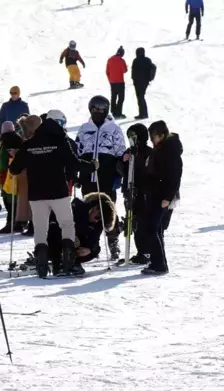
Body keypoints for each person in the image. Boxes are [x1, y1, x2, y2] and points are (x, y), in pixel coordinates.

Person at [10, 109, 98, 278]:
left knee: (41, 228)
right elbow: (75, 163)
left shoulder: (30, 142)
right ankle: (67, 263)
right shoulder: (60, 141)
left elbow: (14, 169)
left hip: (36, 194)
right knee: (66, 224)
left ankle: (42, 266)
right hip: (58, 191)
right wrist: (92, 166)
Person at [75, 96, 127, 260]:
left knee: (107, 211)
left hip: (106, 175)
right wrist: (76, 173)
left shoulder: (114, 129)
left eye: (101, 110)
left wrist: (119, 174)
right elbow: (77, 152)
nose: (98, 112)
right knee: (87, 212)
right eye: (95, 109)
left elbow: (120, 152)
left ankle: (113, 243)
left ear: (106, 110)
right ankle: (89, 245)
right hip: (87, 177)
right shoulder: (84, 129)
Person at [142, 121, 182, 276]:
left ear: (162, 135)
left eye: (154, 137)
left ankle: (159, 265)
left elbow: (175, 176)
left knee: (152, 228)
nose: (152, 140)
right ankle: (157, 261)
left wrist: (168, 197)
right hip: (155, 193)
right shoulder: (160, 148)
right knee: (155, 229)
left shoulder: (170, 150)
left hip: (163, 195)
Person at [48, 192, 115, 275]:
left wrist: (89, 249)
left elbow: (95, 240)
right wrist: (71, 236)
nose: (96, 221)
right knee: (55, 230)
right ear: (95, 208)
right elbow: (58, 223)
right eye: (97, 217)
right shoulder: (78, 208)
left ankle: (72, 262)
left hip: (75, 247)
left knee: (96, 250)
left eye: (100, 221)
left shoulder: (97, 224)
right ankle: (56, 260)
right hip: (59, 240)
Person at [117, 123, 154, 264]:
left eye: (133, 137)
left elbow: (148, 170)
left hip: (143, 193)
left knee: (144, 222)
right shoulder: (129, 151)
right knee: (133, 221)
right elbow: (121, 169)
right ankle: (141, 251)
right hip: (130, 192)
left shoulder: (148, 152)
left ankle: (147, 251)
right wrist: (123, 161)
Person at [15, 115, 42, 237]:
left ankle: (33, 225)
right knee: (30, 201)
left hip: (32, 175)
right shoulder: (31, 141)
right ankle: (31, 224)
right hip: (29, 175)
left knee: (33, 202)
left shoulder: (31, 143)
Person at [0, 121, 24, 234]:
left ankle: (11, 224)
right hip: (18, 173)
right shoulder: (19, 139)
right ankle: (18, 223)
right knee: (15, 199)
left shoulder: (5, 142)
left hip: (7, 174)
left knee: (8, 200)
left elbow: (2, 161)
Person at [131, 48, 155, 120]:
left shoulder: (136, 60)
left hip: (138, 82)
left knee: (140, 97)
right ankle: (143, 113)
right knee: (141, 97)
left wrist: (133, 80)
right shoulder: (147, 60)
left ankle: (143, 114)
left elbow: (133, 71)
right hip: (145, 82)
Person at [106, 46, 128, 119]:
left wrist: (110, 80)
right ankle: (118, 113)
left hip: (112, 82)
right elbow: (125, 70)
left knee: (113, 97)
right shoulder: (121, 60)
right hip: (120, 81)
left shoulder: (110, 59)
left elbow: (107, 71)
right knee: (121, 98)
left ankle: (113, 111)